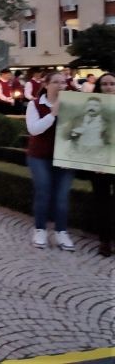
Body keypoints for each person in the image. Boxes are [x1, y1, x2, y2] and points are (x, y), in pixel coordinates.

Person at [25, 71, 75, 251]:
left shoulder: (72, 105)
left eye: (63, 82)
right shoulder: (35, 104)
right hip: (39, 156)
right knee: (43, 192)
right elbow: (34, 129)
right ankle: (40, 230)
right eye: (56, 82)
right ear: (46, 85)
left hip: (65, 157)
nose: (61, 86)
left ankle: (61, 232)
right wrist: (53, 114)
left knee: (62, 196)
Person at [90, 72, 115, 257]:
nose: (108, 87)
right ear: (99, 87)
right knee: (102, 203)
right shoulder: (91, 107)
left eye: (112, 84)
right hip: (98, 163)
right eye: (105, 84)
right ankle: (104, 241)